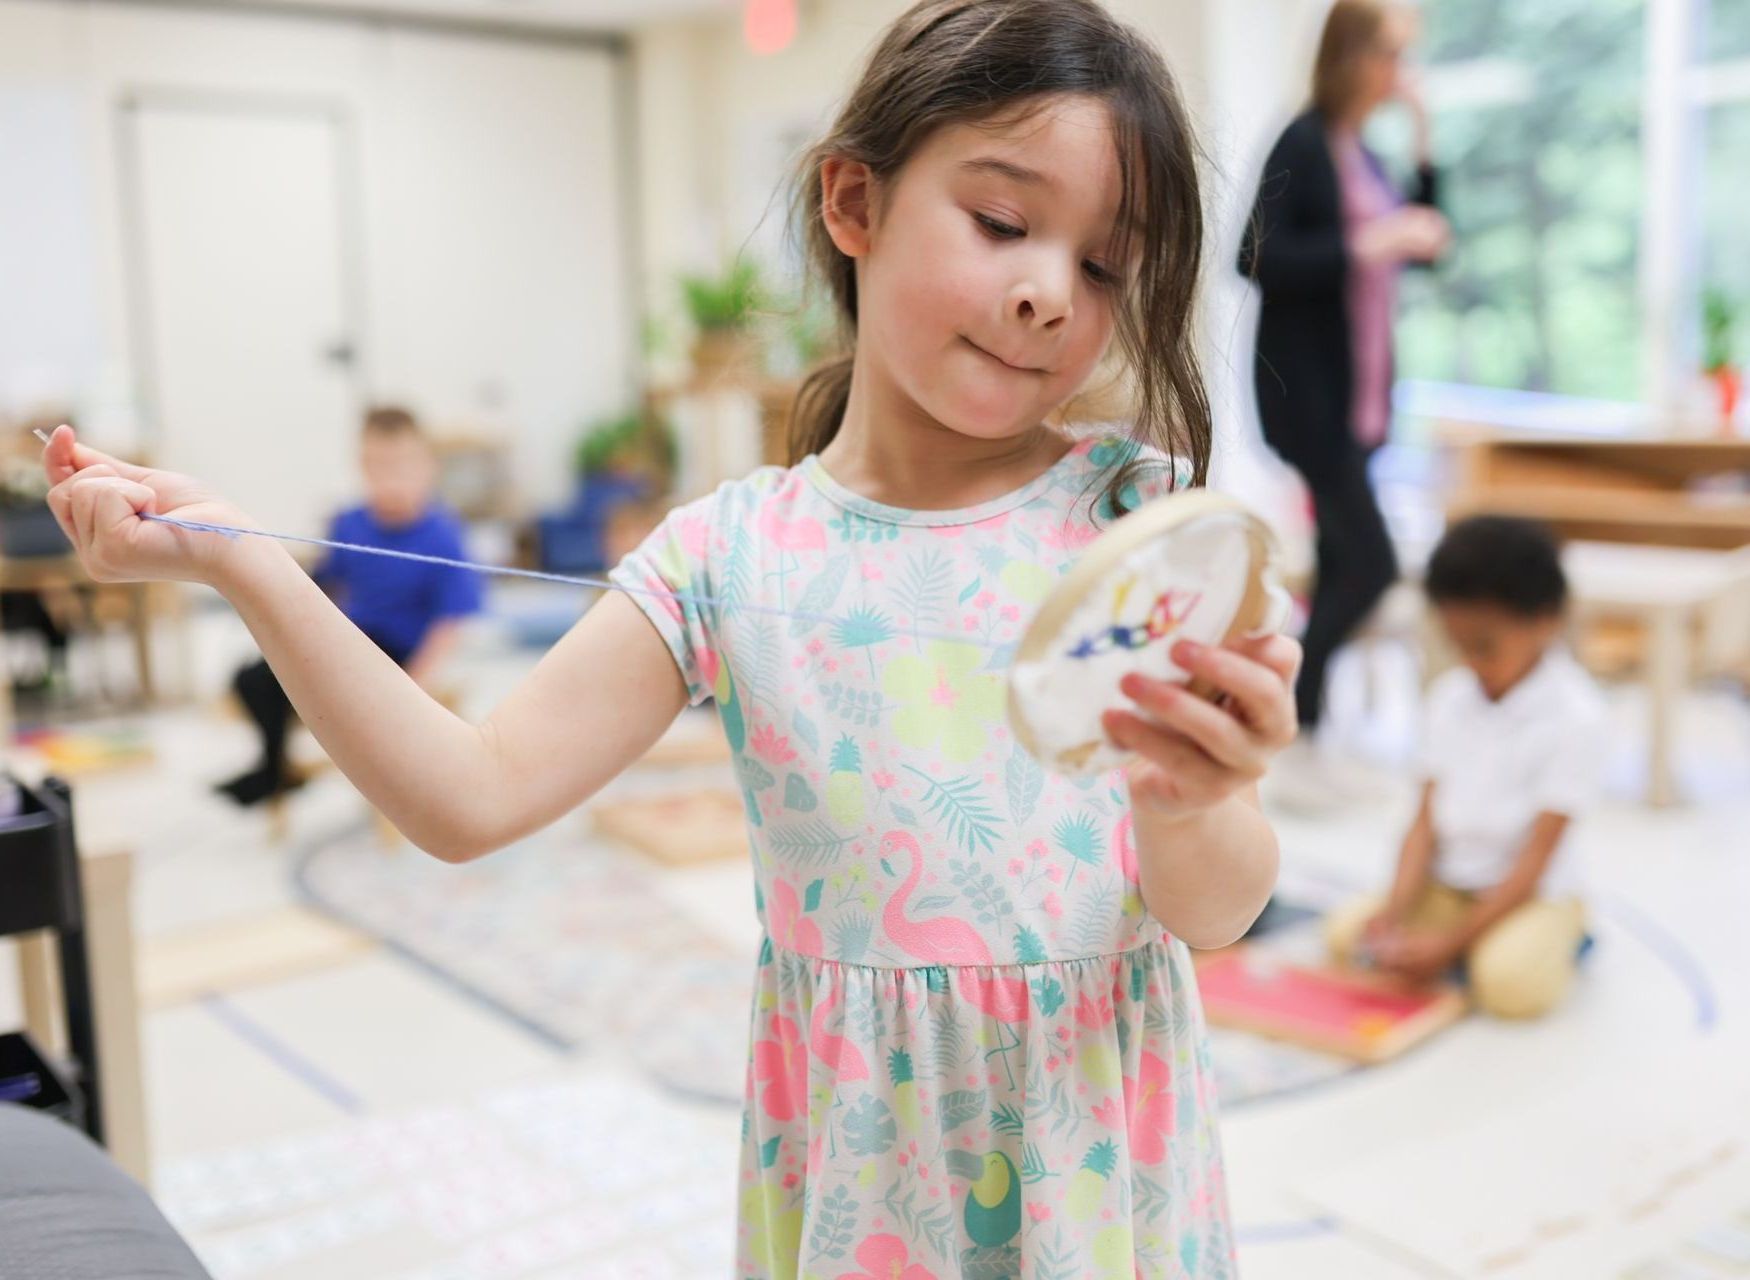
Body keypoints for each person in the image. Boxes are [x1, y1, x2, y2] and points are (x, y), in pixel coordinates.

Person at [42, 2, 1300, 1272]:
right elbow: (468, 793)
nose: (1046, 293)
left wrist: (1197, 800)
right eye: (1002, 222)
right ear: (852, 203)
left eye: (1100, 266)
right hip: (865, 1187)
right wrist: (248, 566)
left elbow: (1216, 911)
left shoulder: (1142, 528)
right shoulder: (729, 552)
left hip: (1100, 1165)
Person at [1238, 0, 1449, 799]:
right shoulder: (1303, 141)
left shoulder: (1368, 154)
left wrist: (1424, 141)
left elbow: (1427, 243)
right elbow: (1255, 256)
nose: (1403, 71)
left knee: (1337, 564)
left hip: (1364, 398)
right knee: (1373, 564)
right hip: (1312, 399)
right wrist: (1370, 243)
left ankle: (1311, 733)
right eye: (1394, 53)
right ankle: (1292, 716)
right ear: (1355, 55)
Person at [1325, 516, 1607, 1019]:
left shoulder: (1575, 715)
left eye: (1485, 645)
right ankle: (1466, 949)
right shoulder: (1450, 698)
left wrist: (1450, 944)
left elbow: (1535, 863)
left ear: (1546, 622)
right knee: (1349, 937)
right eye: (1458, 643)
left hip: (1529, 896)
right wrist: (1394, 911)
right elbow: (1424, 824)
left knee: (1508, 987)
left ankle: (1565, 937)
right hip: (1448, 887)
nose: (1470, 660)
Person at [216, 405, 480, 805]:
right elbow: (321, 585)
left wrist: (415, 685)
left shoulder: (443, 535)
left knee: (350, 693)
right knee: (252, 679)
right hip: (349, 639)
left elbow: (450, 620)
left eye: (400, 467)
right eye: (377, 467)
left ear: (428, 468)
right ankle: (276, 768)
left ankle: (371, 777)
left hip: (396, 655)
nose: (388, 480)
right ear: (362, 466)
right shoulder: (350, 522)